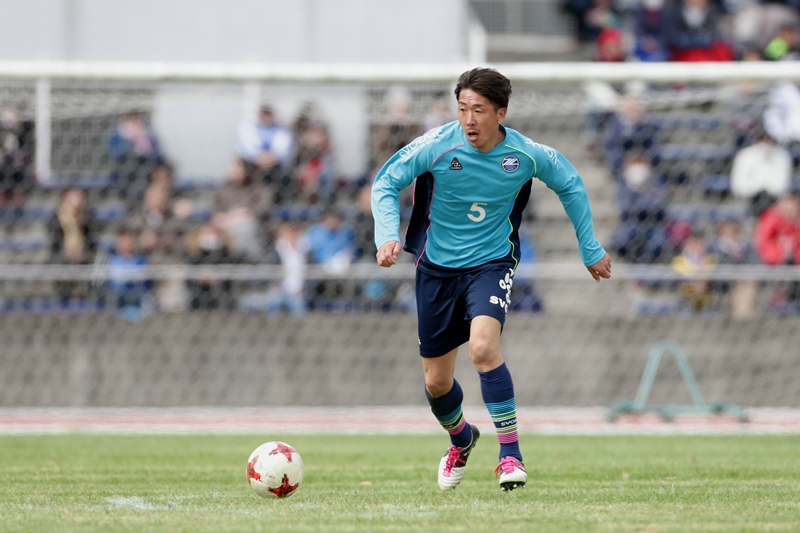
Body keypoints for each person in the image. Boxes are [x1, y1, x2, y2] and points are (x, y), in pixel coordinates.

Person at [371, 68, 612, 492]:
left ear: (501, 113)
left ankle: (510, 455)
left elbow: (571, 183)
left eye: (479, 110)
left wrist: (590, 248)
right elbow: (386, 181)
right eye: (462, 108)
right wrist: (387, 234)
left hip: (491, 265)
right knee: (436, 382)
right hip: (436, 270)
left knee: (483, 348)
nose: (469, 119)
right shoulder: (437, 145)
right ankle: (461, 439)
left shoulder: (524, 154)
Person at [729, 131, 793, 217]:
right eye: (762, 140)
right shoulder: (745, 156)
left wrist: (766, 187)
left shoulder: (782, 156)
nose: (765, 145)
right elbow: (738, 185)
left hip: (774, 199)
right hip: (748, 199)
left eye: (768, 141)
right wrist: (757, 187)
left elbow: (782, 186)